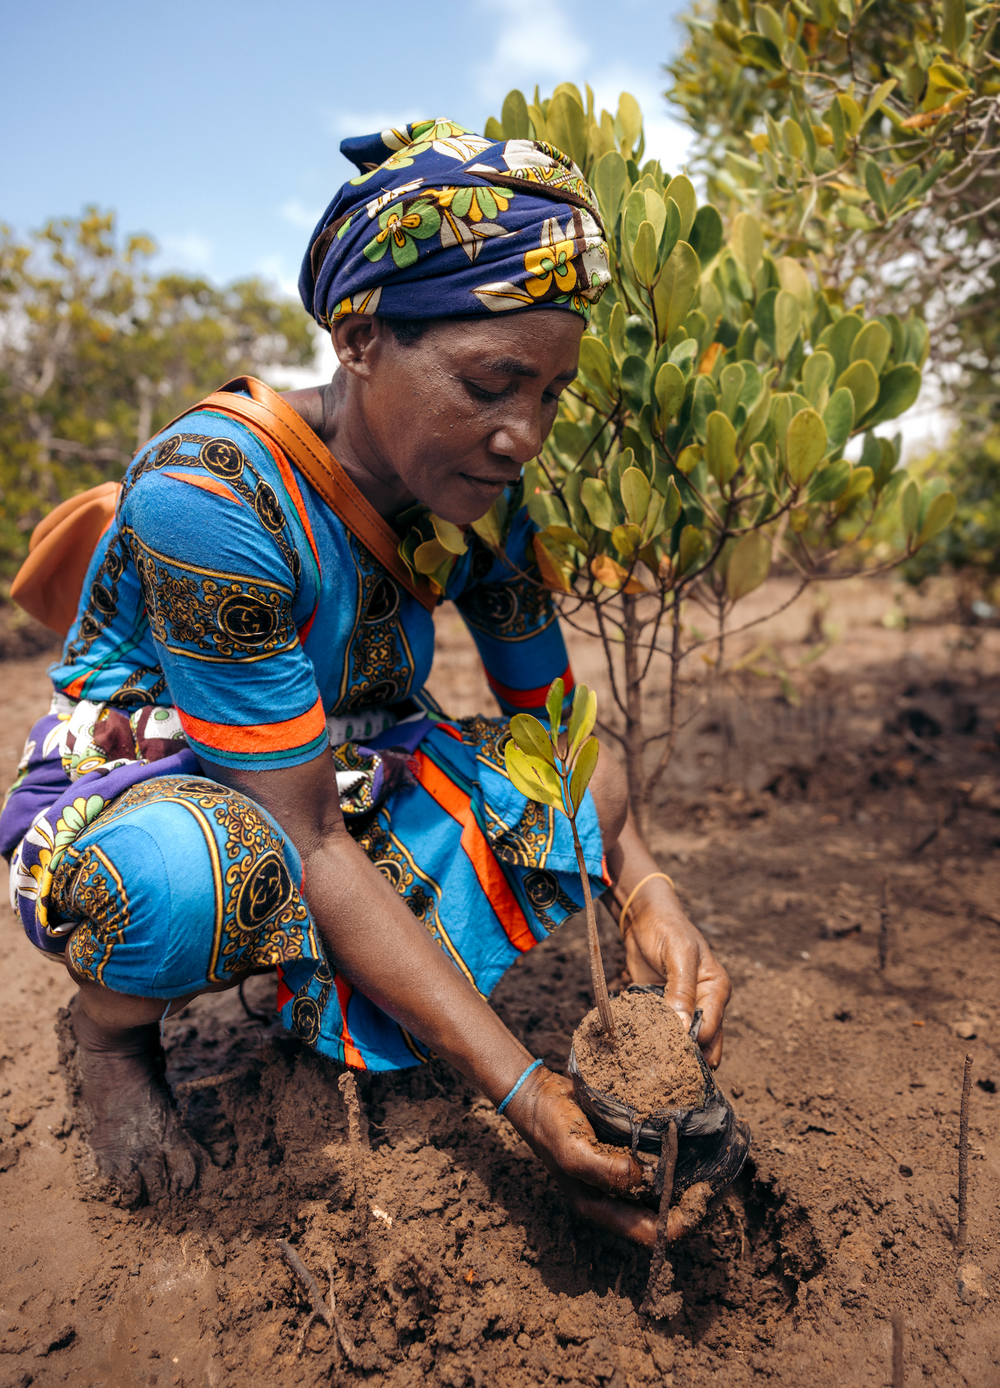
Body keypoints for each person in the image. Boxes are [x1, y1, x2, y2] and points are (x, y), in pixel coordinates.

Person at [2, 119, 731, 1243]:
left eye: (548, 395)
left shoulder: (482, 496)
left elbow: (554, 724)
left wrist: (645, 889)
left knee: (594, 791)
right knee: (199, 875)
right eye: (492, 383)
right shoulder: (210, 495)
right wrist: (525, 1093)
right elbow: (303, 838)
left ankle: (330, 989)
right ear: (357, 337)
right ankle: (112, 1031)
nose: (522, 435)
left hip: (346, 778)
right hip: (171, 792)